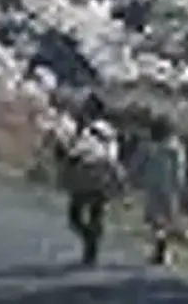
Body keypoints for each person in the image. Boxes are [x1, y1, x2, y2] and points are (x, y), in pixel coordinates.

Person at [59, 96, 123, 267]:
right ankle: (92, 245)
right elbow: (113, 154)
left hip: (85, 172)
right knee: (96, 212)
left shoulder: (87, 128)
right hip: (102, 172)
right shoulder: (108, 131)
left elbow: (74, 150)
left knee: (76, 214)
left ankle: (90, 243)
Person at [133, 115, 188, 265]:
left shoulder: (147, 146)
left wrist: (136, 179)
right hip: (170, 186)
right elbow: (180, 167)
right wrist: (180, 183)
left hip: (152, 184)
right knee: (169, 217)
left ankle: (160, 247)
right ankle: (164, 250)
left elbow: (138, 164)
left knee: (156, 218)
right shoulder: (175, 146)